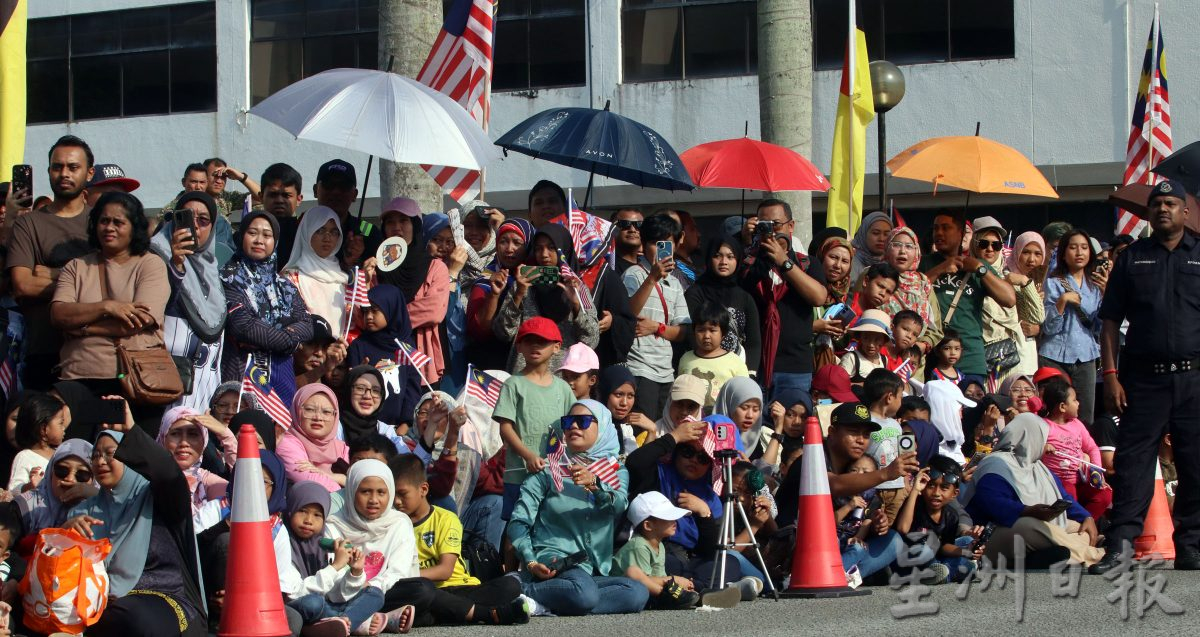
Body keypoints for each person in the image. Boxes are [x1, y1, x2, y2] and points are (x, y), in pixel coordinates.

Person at [1094, 183, 1200, 575]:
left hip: (1194, 378)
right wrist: (1110, 375)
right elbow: (1109, 321)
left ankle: (1191, 546)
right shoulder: (1133, 258)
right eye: (1156, 204)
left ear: (1185, 211)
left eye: (1171, 204)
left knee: (1194, 463)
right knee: (1134, 464)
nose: (1162, 210)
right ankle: (1120, 546)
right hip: (1143, 380)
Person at [65, 413, 207, 637]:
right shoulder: (82, 512)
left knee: (131, 617)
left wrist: (131, 430)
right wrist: (66, 534)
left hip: (166, 598)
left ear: (130, 457)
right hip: (99, 603)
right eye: (95, 456)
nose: (101, 461)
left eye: (111, 454)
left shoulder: (157, 496)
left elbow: (170, 475)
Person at [508, 400, 649, 616]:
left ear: (601, 426)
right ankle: (518, 588)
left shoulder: (615, 470)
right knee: (584, 593)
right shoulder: (547, 470)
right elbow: (519, 522)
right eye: (568, 422)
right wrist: (530, 561)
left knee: (637, 592)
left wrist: (596, 485)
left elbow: (619, 505)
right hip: (554, 561)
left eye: (582, 421)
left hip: (593, 570)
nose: (573, 426)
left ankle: (547, 603)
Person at [50, 192, 170, 429]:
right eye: (104, 221)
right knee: (83, 455)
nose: (109, 228)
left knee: (125, 455)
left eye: (118, 222)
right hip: (79, 378)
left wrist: (82, 328)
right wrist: (107, 307)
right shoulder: (76, 267)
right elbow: (59, 314)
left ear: (134, 227)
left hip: (133, 381)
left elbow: (137, 321)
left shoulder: (150, 265)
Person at [390, 455, 528, 625]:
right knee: (421, 592)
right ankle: (480, 613)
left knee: (510, 585)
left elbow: (445, 570)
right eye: (393, 495)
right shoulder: (392, 523)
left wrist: (401, 576)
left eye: (402, 494)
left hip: (459, 588)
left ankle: (443, 614)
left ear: (423, 489)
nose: (396, 501)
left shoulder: (446, 518)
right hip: (425, 590)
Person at [961, 413, 1103, 568]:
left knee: (1077, 527)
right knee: (1030, 526)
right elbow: (991, 503)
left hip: (1030, 527)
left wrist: (1086, 517)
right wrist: (1027, 510)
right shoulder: (996, 463)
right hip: (989, 536)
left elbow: (1063, 496)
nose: (1047, 445)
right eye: (1043, 439)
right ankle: (1094, 555)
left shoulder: (1038, 467)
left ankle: (1041, 558)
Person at [10, 136, 96, 389]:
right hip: (43, 352)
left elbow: (114, 282)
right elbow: (23, 285)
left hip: (95, 351)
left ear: (89, 173)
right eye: (57, 167)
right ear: (48, 171)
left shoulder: (102, 223)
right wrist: (86, 283)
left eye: (73, 167)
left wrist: (51, 274)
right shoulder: (29, 223)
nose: (64, 174)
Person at [219, 211, 312, 407]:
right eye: (252, 233)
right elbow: (243, 325)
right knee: (244, 431)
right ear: (241, 236)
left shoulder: (284, 285)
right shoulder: (228, 278)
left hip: (282, 373)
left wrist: (277, 337)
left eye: (267, 235)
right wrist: (288, 341)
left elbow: (306, 322)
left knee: (281, 431)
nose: (259, 240)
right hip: (242, 368)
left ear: (275, 241)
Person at [742, 200, 827, 411]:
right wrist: (745, 242)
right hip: (753, 365)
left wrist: (784, 262)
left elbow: (818, 297)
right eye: (763, 225)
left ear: (791, 226)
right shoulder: (747, 263)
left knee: (792, 429)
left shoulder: (807, 264)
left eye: (775, 225)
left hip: (794, 366)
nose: (769, 232)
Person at [150, 191, 229, 412]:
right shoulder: (154, 258)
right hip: (167, 388)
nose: (194, 226)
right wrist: (175, 264)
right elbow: (158, 304)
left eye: (203, 221)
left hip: (204, 390)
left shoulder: (213, 269)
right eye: (186, 217)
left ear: (212, 228)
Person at [321, 459, 418, 634]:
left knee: (421, 589)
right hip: (343, 591)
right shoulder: (333, 524)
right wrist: (356, 582)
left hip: (384, 590)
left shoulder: (399, 523)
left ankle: (362, 617)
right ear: (350, 491)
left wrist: (371, 586)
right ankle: (362, 620)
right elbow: (333, 574)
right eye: (365, 491)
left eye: (381, 492)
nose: (374, 500)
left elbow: (398, 571)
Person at [493, 317, 575, 520]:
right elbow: (505, 428)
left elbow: (572, 424)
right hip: (519, 473)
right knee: (517, 527)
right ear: (519, 346)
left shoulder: (563, 388)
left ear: (556, 347)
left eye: (543, 341)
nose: (535, 345)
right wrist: (528, 455)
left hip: (553, 473)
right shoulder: (513, 384)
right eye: (529, 340)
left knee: (546, 527)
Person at [921, 211, 1016, 384]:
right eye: (936, 228)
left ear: (962, 234)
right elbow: (911, 292)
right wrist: (940, 269)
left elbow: (1009, 299)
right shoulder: (923, 263)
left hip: (970, 359)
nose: (939, 233)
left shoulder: (976, 265)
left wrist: (980, 269)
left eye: (946, 228)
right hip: (931, 357)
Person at [495, 224, 598, 374]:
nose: (544, 254)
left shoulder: (577, 287)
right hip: (525, 379)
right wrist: (518, 296)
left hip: (564, 381)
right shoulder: (523, 286)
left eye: (551, 248)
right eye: (538, 248)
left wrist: (576, 306)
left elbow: (591, 340)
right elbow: (504, 333)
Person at [624, 215, 691, 416]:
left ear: (675, 245)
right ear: (643, 245)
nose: (660, 249)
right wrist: (652, 277)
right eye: (654, 243)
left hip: (666, 371)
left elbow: (684, 331)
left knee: (661, 432)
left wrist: (657, 327)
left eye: (666, 244)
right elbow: (628, 314)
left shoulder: (676, 283)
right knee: (643, 433)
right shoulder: (633, 274)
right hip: (639, 367)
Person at [615, 491, 726, 610]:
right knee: (635, 572)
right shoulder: (639, 546)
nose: (675, 521)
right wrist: (673, 581)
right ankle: (681, 597)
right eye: (668, 517)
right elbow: (643, 580)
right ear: (648, 525)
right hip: (623, 591)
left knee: (687, 582)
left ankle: (698, 596)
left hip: (647, 591)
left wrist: (676, 583)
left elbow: (658, 577)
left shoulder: (659, 545)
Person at [1040, 229, 1104, 427]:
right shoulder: (1053, 281)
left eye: (1084, 248)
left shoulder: (1096, 284)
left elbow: (1099, 327)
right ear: (1064, 253)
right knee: (1053, 412)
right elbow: (1049, 327)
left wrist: (1107, 294)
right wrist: (1062, 301)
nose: (1079, 252)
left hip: (1086, 355)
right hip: (1054, 353)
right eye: (1073, 247)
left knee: (1085, 415)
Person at [894, 457, 982, 584]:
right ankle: (944, 572)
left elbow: (944, 546)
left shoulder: (951, 516)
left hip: (936, 555)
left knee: (968, 542)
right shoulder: (914, 505)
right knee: (925, 551)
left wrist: (967, 551)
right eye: (931, 486)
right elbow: (902, 529)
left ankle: (941, 571)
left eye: (944, 488)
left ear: (955, 494)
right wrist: (915, 490)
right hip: (910, 557)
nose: (936, 493)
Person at [345, 285, 421, 428]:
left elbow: (412, 387)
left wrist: (405, 424)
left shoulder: (406, 346)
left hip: (397, 429)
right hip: (364, 426)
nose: (368, 317)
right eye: (365, 311)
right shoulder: (359, 346)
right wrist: (357, 374)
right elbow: (352, 390)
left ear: (391, 309)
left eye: (374, 311)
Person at [684, 236, 761, 375]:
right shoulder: (695, 293)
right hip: (702, 369)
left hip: (736, 371)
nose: (724, 262)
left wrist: (750, 373)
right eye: (717, 256)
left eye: (730, 257)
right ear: (709, 258)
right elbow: (690, 332)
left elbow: (753, 342)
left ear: (738, 261)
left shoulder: (745, 297)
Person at [1038, 378, 1110, 521]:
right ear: (1063, 407)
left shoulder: (1076, 424)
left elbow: (1092, 448)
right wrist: (1043, 448)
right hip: (1058, 482)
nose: (1078, 403)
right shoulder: (1044, 426)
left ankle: (1084, 525)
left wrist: (1097, 471)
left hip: (1080, 479)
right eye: (1075, 400)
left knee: (1104, 494)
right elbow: (1031, 449)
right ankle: (1076, 526)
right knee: (1069, 495)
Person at [465, 219, 532, 372]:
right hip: (492, 365)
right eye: (503, 241)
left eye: (517, 242)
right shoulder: (487, 277)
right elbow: (478, 331)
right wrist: (494, 295)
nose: (509, 249)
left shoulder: (539, 279)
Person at [970, 217, 1027, 382]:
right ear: (973, 243)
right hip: (979, 358)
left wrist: (1025, 282)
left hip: (1010, 357)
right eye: (983, 244)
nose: (990, 249)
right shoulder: (964, 275)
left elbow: (1036, 317)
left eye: (996, 245)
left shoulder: (1009, 277)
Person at [281, 206, 352, 338]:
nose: (327, 238)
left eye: (334, 231)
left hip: (340, 353)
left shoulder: (344, 279)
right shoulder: (289, 279)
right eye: (320, 230)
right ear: (307, 231)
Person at [16, 437, 95, 538]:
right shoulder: (25, 507)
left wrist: (96, 495)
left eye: (82, 475)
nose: (70, 479)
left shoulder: (99, 514)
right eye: (62, 470)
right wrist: (61, 532)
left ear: (94, 480)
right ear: (50, 472)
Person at [880, 226, 942, 355]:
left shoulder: (923, 283)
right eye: (897, 245)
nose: (902, 251)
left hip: (912, 364)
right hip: (879, 355)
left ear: (917, 252)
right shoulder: (875, 275)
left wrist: (922, 345)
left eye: (909, 246)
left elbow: (936, 328)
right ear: (886, 248)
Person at [277, 383, 349, 492]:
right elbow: (306, 478)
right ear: (297, 410)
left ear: (335, 416)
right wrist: (347, 486)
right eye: (310, 409)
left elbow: (364, 481)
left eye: (326, 412)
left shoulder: (341, 447)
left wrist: (338, 477)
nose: (318, 417)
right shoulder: (286, 443)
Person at [677, 301, 749, 409]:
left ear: (723, 333)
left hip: (723, 421)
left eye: (712, 330)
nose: (706, 335)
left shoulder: (735, 362)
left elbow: (744, 395)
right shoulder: (686, 359)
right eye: (701, 330)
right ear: (694, 331)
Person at [1005, 231, 1047, 378]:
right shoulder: (1006, 278)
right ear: (1016, 252)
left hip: (1035, 358)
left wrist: (1039, 330)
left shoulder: (1048, 284)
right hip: (1008, 356)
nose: (1031, 259)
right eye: (1026, 252)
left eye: (1037, 254)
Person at [8, 393, 67, 493]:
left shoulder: (62, 452)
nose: (63, 428)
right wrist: (30, 486)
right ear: (43, 429)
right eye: (61, 423)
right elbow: (13, 490)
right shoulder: (25, 457)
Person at [597, 366, 654, 454]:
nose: (624, 403)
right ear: (605, 394)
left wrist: (652, 431)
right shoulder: (594, 427)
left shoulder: (625, 428)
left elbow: (639, 464)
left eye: (630, 396)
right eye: (618, 394)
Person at [258, 163, 305, 266]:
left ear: (298, 199)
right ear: (261, 197)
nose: (279, 200)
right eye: (273, 195)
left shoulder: (306, 235)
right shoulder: (248, 235)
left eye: (286, 195)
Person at [924, 379, 975, 463]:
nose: (961, 416)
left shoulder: (953, 445)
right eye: (960, 410)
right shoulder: (927, 446)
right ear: (946, 410)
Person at [714, 377, 765, 460]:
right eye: (744, 408)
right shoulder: (709, 432)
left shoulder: (753, 440)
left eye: (756, 409)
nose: (750, 415)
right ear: (729, 404)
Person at [838, 310, 893, 383]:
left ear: (884, 341)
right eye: (866, 338)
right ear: (860, 337)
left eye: (877, 340)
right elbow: (837, 384)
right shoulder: (851, 358)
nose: (871, 344)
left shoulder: (884, 360)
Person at [850, 211, 893, 284]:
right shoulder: (848, 262)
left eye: (886, 234)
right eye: (876, 233)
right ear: (863, 234)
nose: (881, 239)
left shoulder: (892, 264)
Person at [611, 208, 644, 274]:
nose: (632, 230)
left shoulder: (650, 265)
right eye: (625, 224)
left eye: (639, 225)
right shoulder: (608, 266)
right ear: (612, 228)